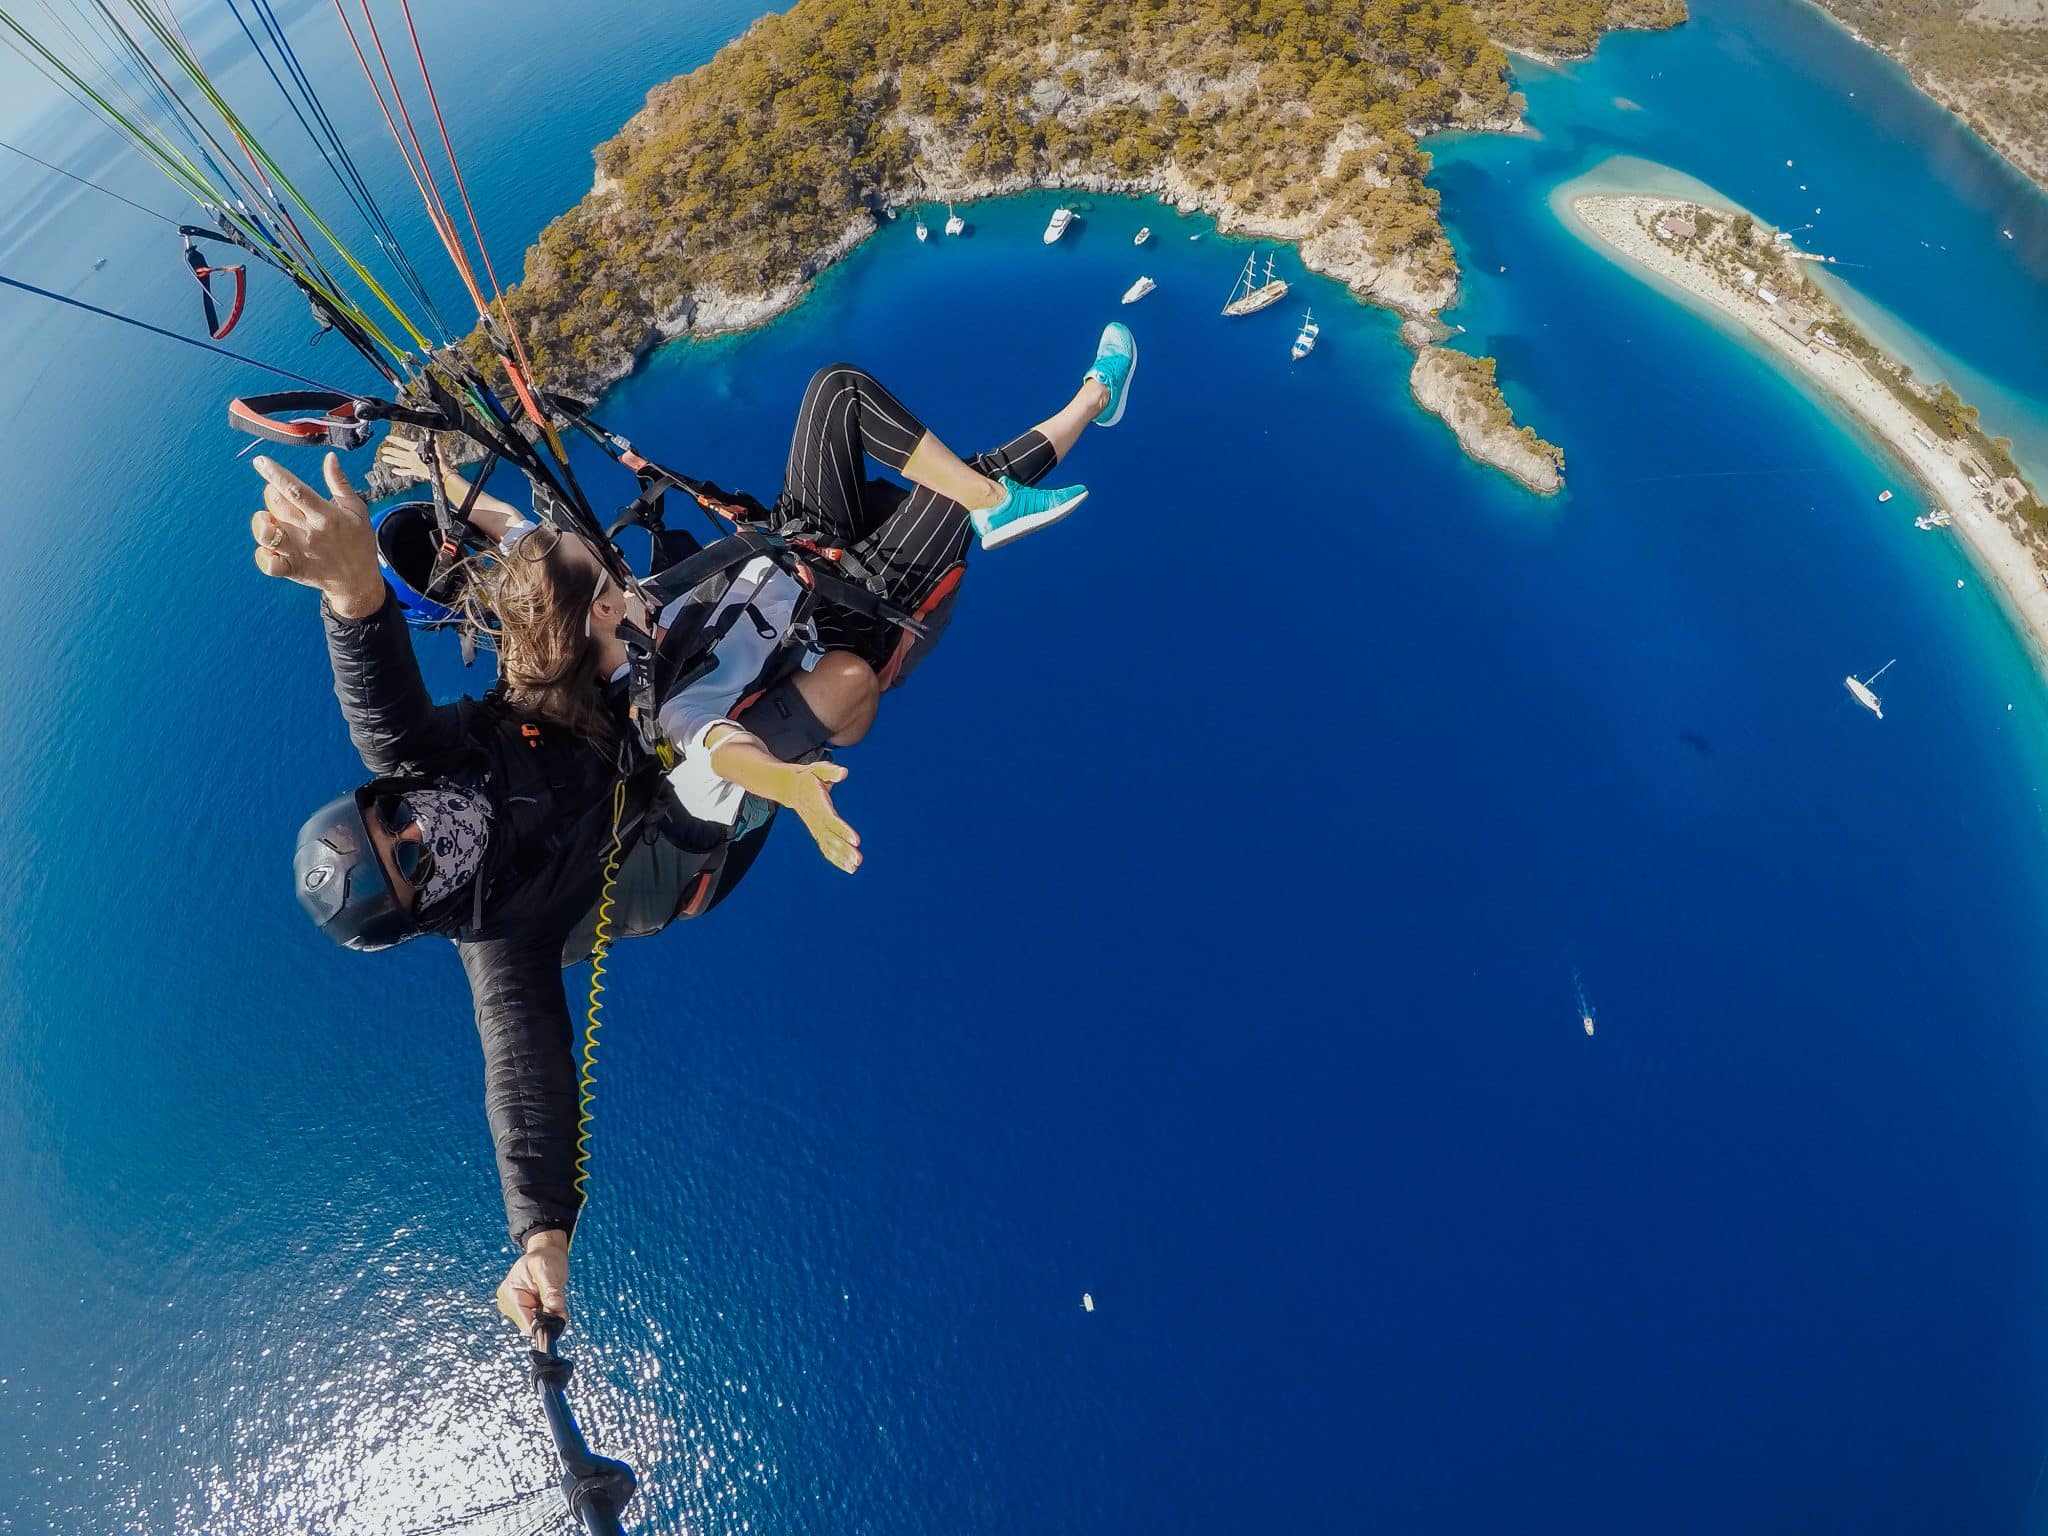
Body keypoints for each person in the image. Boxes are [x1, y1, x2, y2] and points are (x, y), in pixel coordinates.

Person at [256, 326, 1138, 1335]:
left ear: (387, 799)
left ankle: (1075, 415)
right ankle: (1044, 448)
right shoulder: (504, 934)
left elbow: (379, 703)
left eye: (395, 825)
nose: (422, 834)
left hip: (700, 638)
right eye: (414, 869)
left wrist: (348, 587)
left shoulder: (440, 756)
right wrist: (542, 1245)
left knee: (843, 401)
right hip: (685, 804)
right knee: (868, 639)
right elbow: (525, 1085)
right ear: (426, 913)